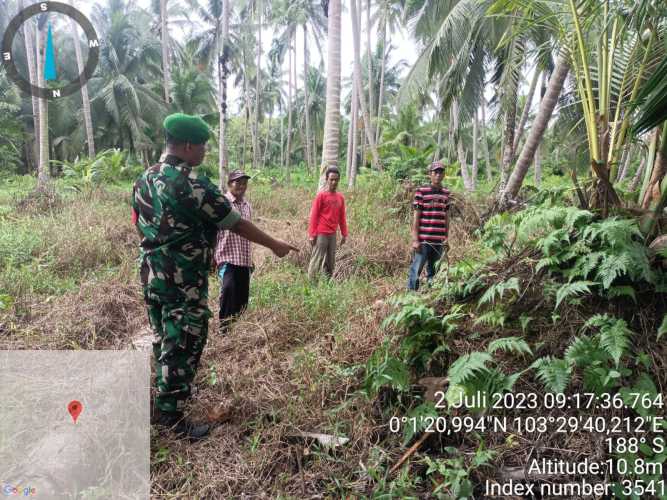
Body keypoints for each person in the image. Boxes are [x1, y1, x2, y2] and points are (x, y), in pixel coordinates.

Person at [131, 113, 298, 440]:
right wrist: (274, 244)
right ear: (188, 145)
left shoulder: (143, 180)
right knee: (185, 339)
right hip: (183, 280)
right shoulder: (191, 187)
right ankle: (170, 417)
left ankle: (163, 397)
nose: (205, 151)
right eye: (203, 145)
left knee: (164, 334)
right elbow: (234, 222)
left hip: (151, 274)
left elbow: (139, 221)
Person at [214, 170, 253, 334]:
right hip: (226, 256)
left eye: (244, 183)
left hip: (243, 259)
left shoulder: (247, 205)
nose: (241, 186)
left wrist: (251, 260)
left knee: (242, 298)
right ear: (230, 184)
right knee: (228, 289)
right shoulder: (222, 203)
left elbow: (249, 234)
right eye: (237, 182)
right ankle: (224, 329)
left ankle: (236, 330)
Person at [407, 161, 451, 291]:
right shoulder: (421, 192)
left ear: (444, 175)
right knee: (416, 270)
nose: (438, 175)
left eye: (440, 172)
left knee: (434, 271)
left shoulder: (446, 194)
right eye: (435, 172)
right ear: (430, 174)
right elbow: (416, 217)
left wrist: (446, 238)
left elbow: (446, 218)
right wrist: (415, 240)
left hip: (438, 241)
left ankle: (430, 295)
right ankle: (411, 296)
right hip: (424, 240)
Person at [307, 166, 348, 279]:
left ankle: (326, 283)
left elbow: (342, 217)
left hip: (332, 234)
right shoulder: (321, 196)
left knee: (331, 261)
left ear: (339, 180)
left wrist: (344, 233)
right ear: (327, 179)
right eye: (331, 179)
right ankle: (311, 285)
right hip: (321, 234)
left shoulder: (340, 198)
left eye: (336, 180)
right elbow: (314, 216)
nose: (334, 182)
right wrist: (312, 235)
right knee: (317, 260)